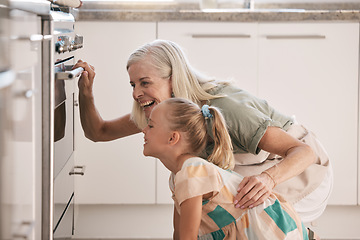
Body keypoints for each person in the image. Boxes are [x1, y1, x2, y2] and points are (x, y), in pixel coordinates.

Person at [74, 39, 332, 223]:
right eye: (133, 84)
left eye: (145, 83)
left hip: (302, 170)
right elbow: (100, 132)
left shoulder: (225, 107)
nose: (136, 93)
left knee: (216, 192)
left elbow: (303, 152)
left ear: (173, 79)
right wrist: (85, 92)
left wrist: (269, 179)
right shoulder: (162, 112)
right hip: (257, 166)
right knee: (197, 180)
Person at [142, 97, 316, 240]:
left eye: (150, 125)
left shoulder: (191, 170)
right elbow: (179, 235)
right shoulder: (177, 176)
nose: (144, 130)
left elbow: (187, 238)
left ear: (173, 138)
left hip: (272, 229)